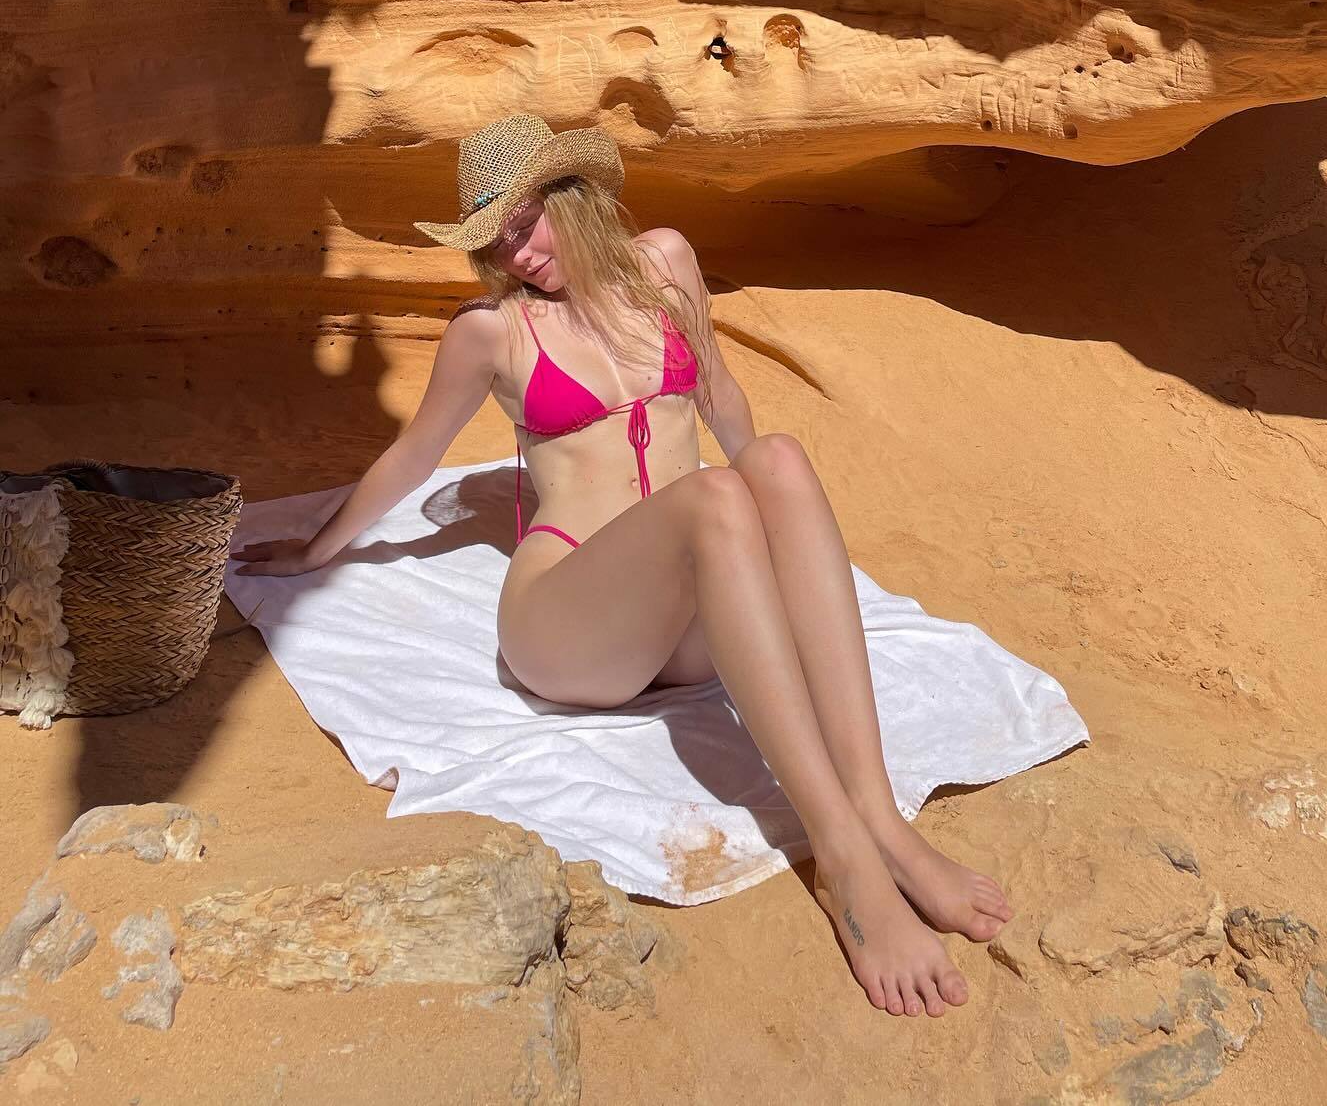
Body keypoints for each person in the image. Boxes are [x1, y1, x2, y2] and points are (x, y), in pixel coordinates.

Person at [235, 113, 1012, 1016]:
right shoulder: (491, 331)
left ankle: (880, 817)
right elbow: (413, 458)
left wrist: (780, 508)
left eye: (526, 223)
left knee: (776, 459)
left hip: (680, 621)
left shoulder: (665, 264)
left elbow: (720, 393)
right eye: (496, 240)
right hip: (568, 623)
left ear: (570, 197)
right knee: (715, 496)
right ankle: (843, 855)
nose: (518, 254)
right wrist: (315, 548)